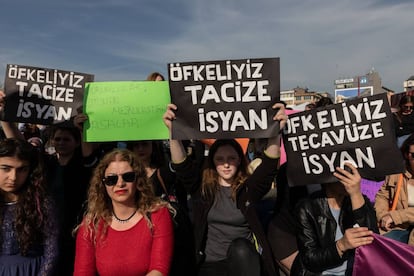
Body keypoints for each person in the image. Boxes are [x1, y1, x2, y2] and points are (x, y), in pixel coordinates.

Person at [163, 102, 288, 276]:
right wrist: (173, 131)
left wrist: (276, 131)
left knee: (240, 248)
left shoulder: (247, 190)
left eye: (232, 158)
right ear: (213, 162)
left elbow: (268, 167)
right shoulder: (203, 189)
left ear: (239, 160)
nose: (226, 164)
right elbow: (182, 166)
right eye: (220, 159)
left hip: (243, 263)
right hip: (210, 265)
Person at [73, 148, 174, 276]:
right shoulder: (91, 224)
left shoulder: (158, 214)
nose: (120, 183)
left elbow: (159, 269)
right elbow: (82, 272)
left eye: (128, 177)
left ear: (138, 180)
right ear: (102, 184)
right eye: (111, 179)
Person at [291, 163, 379, 276]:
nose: (349, 179)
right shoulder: (307, 208)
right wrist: (341, 246)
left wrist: (356, 194)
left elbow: (372, 242)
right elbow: (310, 259)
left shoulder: (359, 200)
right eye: (343, 174)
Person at [0, 138, 58, 275]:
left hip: (31, 270)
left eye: (22, 169)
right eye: (5, 169)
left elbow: (52, 250)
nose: (13, 177)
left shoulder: (40, 202)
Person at [375, 133, 414, 245]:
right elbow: (382, 196)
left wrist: (394, 216)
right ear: (407, 155)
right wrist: (382, 216)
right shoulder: (397, 172)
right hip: (399, 227)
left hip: (398, 220)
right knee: (378, 246)